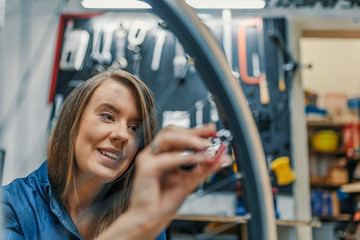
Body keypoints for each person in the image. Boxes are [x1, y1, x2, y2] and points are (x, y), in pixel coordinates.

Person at [0, 70, 232, 240]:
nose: (123, 135)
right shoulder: (10, 206)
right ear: (72, 122)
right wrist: (132, 229)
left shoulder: (143, 211)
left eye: (135, 128)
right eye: (108, 116)